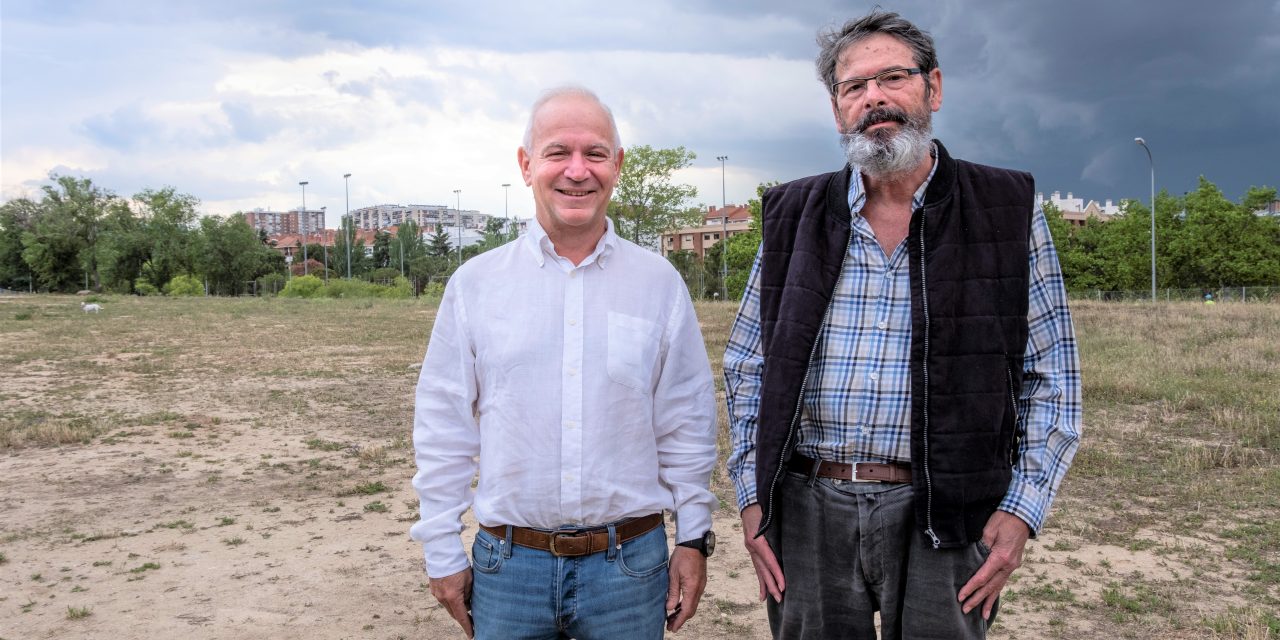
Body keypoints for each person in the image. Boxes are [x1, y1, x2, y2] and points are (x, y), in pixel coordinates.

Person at [723, 11, 1082, 639]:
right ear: (836, 108)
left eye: (893, 78)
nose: (874, 99)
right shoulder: (791, 214)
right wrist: (753, 500)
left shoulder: (1006, 209)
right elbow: (747, 366)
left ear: (933, 88)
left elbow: (1053, 377)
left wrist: (1022, 511)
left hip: (947, 510)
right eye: (853, 87)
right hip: (806, 513)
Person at [410, 86, 718, 640]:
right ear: (526, 165)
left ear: (617, 165)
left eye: (595, 153)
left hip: (630, 568)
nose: (577, 171)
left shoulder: (659, 285)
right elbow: (443, 426)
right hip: (509, 570)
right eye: (558, 152)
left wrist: (693, 539)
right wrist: (440, 549)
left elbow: (686, 423)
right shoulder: (475, 286)